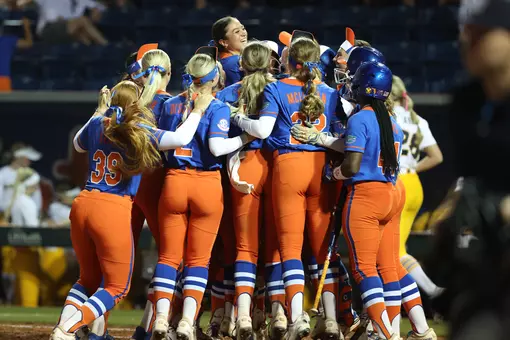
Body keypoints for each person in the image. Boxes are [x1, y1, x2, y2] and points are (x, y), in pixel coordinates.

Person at [49, 80, 212, 340]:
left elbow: (79, 144)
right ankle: (67, 329)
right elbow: (181, 138)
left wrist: (99, 110)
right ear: (136, 103)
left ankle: (63, 325)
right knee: (116, 287)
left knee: (88, 279)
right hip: (112, 207)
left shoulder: (97, 123)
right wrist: (198, 110)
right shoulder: (139, 130)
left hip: (83, 202)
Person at [230, 32, 347, 340]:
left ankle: (298, 317)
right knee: (323, 251)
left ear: (291, 61)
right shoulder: (332, 94)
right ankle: (332, 319)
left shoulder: (276, 87)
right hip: (321, 170)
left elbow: (265, 127)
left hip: (287, 167)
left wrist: (240, 119)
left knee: (290, 248)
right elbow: (346, 143)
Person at [151, 52, 253, 340]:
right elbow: (218, 148)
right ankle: (186, 322)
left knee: (168, 258)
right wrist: (245, 138)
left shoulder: (170, 104)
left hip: (173, 182)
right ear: (215, 78)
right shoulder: (218, 106)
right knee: (199, 260)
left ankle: (160, 320)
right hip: (206, 184)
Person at [426, 1, 510, 339]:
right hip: (487, 271)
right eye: (464, 31)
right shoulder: (468, 104)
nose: (467, 40)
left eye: (481, 32)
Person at [215, 40, 280, 339]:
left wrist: (239, 118)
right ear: (270, 63)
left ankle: (242, 315)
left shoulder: (227, 94)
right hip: (277, 167)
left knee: (243, 247)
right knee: (277, 246)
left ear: (240, 65)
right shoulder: (279, 88)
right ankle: (277, 314)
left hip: (244, 166)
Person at [390, 75, 445, 300]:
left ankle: (430, 292)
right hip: (414, 183)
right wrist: (412, 169)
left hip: (397, 183)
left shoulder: (388, 115)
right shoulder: (418, 119)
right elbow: (437, 157)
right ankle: (430, 291)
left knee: (391, 252)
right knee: (398, 249)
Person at [211, 16, 248, 87]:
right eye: (237, 31)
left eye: (243, 29)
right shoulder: (235, 63)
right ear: (224, 42)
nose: (243, 34)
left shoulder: (221, 60)